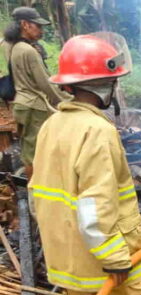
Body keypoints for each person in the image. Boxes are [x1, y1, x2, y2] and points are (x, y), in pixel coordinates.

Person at [29, 33, 141, 295]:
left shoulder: (52, 125)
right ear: (106, 83)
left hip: (68, 259)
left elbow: (38, 192)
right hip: (105, 259)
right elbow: (95, 206)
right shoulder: (98, 131)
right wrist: (115, 259)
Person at [1, 7, 69, 178]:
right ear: (25, 25)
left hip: (22, 104)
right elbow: (46, 83)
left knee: (28, 149)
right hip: (34, 106)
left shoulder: (13, 46)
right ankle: (35, 196)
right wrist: (69, 100)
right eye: (37, 26)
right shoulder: (29, 51)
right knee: (35, 154)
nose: (41, 30)